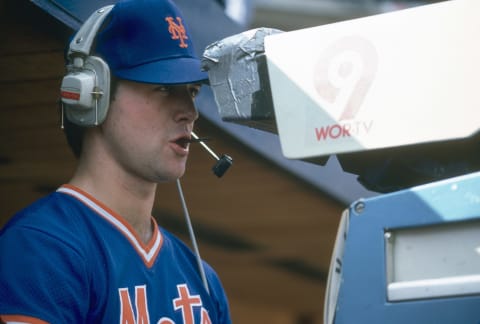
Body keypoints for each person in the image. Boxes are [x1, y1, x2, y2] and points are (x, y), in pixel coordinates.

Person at [0, 0, 232, 323]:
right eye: (164, 87)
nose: (189, 112)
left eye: (192, 91)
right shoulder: (41, 246)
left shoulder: (205, 283)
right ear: (91, 93)